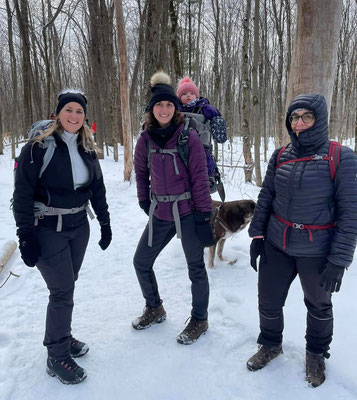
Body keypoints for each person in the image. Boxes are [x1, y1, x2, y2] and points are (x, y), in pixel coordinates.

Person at [247, 93, 357, 387]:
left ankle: (316, 354)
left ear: (319, 120)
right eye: (294, 117)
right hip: (276, 244)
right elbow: (267, 196)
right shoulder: (280, 155)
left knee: (319, 306)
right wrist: (257, 235)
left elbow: (350, 212)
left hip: (317, 250)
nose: (299, 123)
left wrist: (339, 260)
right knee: (268, 301)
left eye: (306, 116)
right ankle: (270, 344)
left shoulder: (341, 156)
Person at [13, 89, 112, 385]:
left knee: (67, 286)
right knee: (61, 291)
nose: (74, 116)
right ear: (58, 113)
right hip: (47, 229)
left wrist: (105, 224)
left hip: (79, 227)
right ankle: (56, 356)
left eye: (79, 111)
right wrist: (25, 236)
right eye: (68, 110)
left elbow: (98, 189)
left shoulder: (86, 148)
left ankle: (62, 337)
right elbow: (22, 195)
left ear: (84, 117)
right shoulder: (37, 148)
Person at [133, 71, 214, 345]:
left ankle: (199, 319)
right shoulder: (145, 139)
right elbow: (141, 172)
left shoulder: (188, 137)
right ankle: (154, 307)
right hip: (161, 213)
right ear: (151, 109)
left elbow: (200, 177)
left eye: (169, 104)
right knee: (141, 261)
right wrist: (144, 200)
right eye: (159, 105)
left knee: (195, 269)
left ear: (176, 108)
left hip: (189, 212)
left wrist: (204, 214)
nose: (164, 109)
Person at [176, 77, 227, 145]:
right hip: (180, 146)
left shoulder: (203, 107)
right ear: (179, 98)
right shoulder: (175, 109)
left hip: (202, 145)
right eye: (184, 94)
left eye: (192, 93)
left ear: (196, 96)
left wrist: (218, 126)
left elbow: (215, 115)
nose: (188, 95)